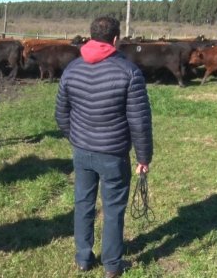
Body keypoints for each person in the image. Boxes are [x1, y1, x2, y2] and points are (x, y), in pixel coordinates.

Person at [55, 16, 153, 278]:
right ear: (114, 39)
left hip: (82, 151)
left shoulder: (72, 69)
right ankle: (111, 265)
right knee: (113, 209)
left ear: (90, 36)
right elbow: (140, 122)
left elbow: (61, 114)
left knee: (83, 203)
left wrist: (75, 137)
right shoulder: (129, 72)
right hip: (113, 154)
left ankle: (83, 258)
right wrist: (144, 156)